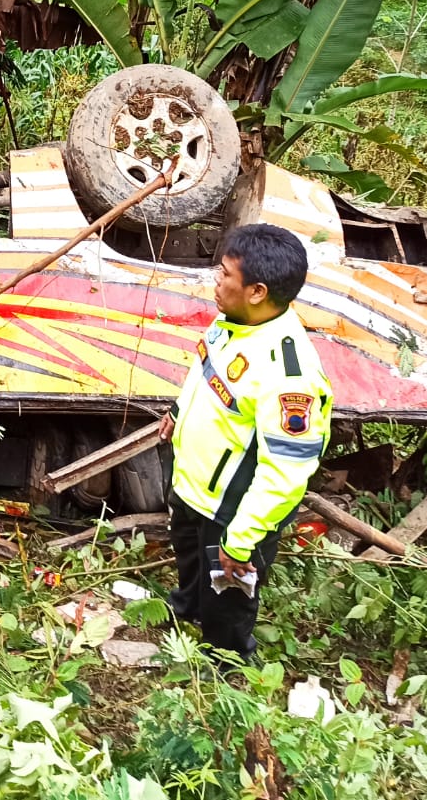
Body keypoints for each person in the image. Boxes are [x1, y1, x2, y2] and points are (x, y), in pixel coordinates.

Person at [158, 222, 333, 658]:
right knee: (190, 560)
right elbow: (205, 375)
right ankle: (185, 609)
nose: (214, 282)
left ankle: (227, 663)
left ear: (257, 291)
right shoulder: (231, 323)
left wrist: (241, 540)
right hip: (195, 485)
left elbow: (287, 470)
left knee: (229, 596)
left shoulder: (289, 374)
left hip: (234, 509)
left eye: (224, 275)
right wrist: (178, 413)